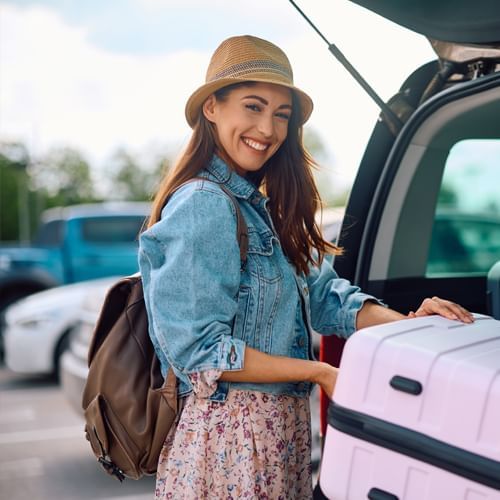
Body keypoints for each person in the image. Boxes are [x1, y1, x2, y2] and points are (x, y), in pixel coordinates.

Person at [138, 35, 473, 499]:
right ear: (212, 108)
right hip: (230, 442)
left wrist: (413, 328)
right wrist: (317, 371)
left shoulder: (265, 208)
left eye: (281, 114)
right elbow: (199, 352)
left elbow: (328, 298)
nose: (269, 129)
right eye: (253, 107)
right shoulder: (203, 204)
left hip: (280, 434)